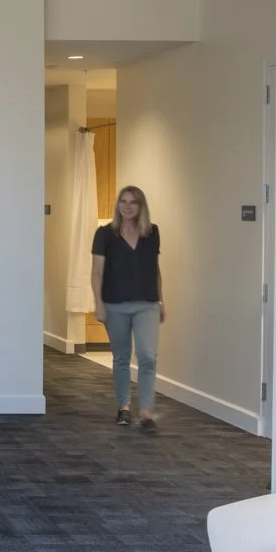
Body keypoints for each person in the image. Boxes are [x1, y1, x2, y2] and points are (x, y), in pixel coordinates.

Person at [91, 185, 164, 433]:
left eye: (133, 202)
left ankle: (146, 412)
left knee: (147, 356)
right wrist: (98, 303)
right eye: (123, 201)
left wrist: (161, 301)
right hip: (115, 304)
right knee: (121, 357)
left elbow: (154, 269)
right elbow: (97, 271)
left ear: (141, 206)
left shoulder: (151, 232)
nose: (127, 206)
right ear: (118, 205)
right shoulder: (105, 234)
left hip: (147, 303)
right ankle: (124, 407)